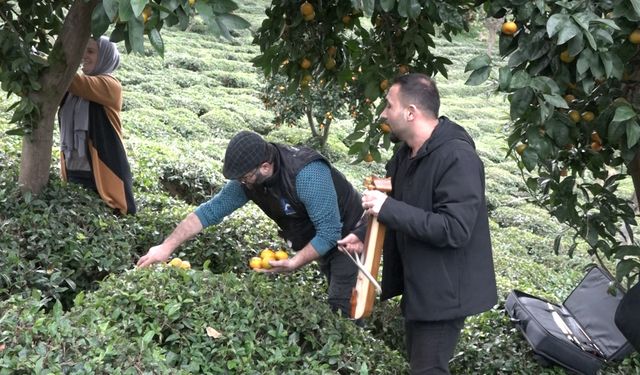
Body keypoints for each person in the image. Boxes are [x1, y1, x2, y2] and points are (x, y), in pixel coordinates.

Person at [338, 73, 498, 374]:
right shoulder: (405, 155)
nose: (384, 114)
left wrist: (387, 207)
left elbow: (454, 229)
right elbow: (393, 202)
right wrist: (362, 234)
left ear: (410, 113)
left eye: (389, 106)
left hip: (444, 293)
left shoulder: (458, 158)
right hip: (419, 286)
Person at [137, 130, 364, 318]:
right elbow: (210, 211)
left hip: (350, 235)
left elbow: (329, 233)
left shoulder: (306, 174)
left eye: (245, 177)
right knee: (333, 283)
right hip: (317, 235)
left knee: (341, 305)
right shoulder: (251, 178)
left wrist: (295, 262)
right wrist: (166, 247)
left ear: (265, 167)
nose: (242, 183)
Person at [58, 36, 136, 215]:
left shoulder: (110, 85)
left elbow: (77, 82)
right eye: (83, 50)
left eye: (91, 51)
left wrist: (45, 61)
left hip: (101, 174)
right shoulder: (71, 92)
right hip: (72, 170)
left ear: (105, 57)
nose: (84, 56)